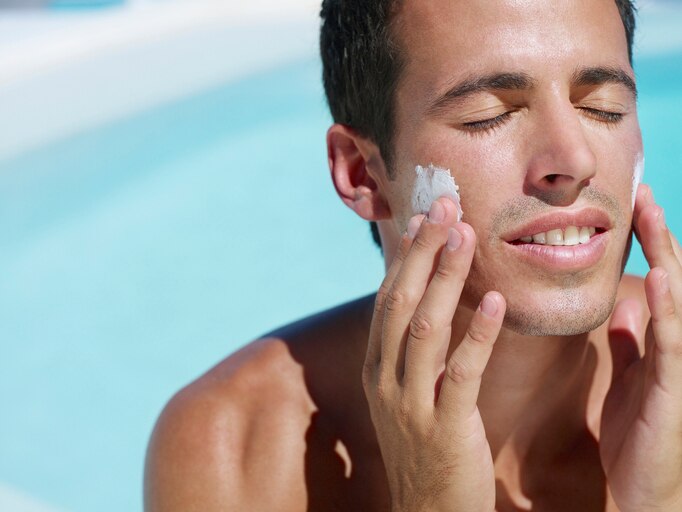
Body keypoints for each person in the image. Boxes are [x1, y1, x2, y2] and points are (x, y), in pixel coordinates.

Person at [144, 0, 682, 510]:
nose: (574, 158)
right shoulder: (238, 452)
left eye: (602, 107)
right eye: (486, 115)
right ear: (361, 172)